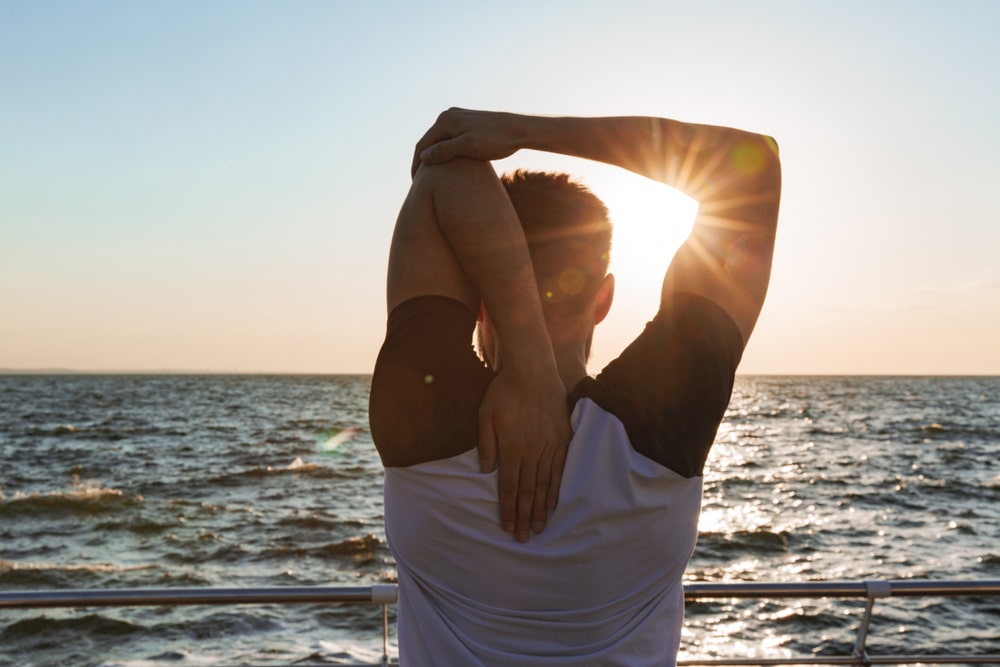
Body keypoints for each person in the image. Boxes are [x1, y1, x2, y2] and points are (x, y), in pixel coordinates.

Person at [369, 109, 781, 665]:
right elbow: (753, 169)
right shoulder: (663, 426)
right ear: (604, 297)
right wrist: (523, 133)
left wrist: (529, 366)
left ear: (477, 297)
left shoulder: (424, 420)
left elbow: (446, 171)